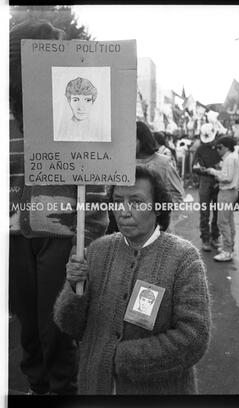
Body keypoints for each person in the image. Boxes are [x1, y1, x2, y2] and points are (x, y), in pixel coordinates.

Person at [9, 20, 109, 395]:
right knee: (30, 331)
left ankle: (61, 390)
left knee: (58, 330)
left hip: (64, 236)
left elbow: (96, 185)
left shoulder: (78, 116)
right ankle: (37, 387)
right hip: (14, 237)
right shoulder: (9, 122)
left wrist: (91, 238)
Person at [54, 165, 211, 395]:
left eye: (136, 202)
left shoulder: (184, 259)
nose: (124, 211)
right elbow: (69, 326)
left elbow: (193, 339)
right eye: (117, 201)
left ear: (158, 207)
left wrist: (119, 357)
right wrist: (75, 289)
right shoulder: (97, 251)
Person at [136, 121, 184, 234]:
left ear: (142, 140)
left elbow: (178, 195)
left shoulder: (164, 163)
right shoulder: (124, 164)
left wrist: (157, 210)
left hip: (159, 229)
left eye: (132, 139)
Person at [205, 136, 239, 262]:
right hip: (231, 192)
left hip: (226, 192)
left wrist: (213, 172)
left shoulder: (229, 159)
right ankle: (229, 247)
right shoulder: (232, 157)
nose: (218, 150)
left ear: (226, 147)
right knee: (229, 221)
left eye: (219, 147)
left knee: (223, 222)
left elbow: (227, 177)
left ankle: (227, 251)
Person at [192, 129, 221, 252]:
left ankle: (215, 236)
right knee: (204, 212)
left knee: (217, 211)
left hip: (218, 180)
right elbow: (194, 166)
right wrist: (201, 169)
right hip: (204, 181)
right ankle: (205, 238)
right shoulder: (200, 149)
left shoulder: (220, 148)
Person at [55, 77, 103, 142]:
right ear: (68, 101)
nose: (81, 107)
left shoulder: (99, 131)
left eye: (87, 100)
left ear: (93, 102)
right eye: (75, 100)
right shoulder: (60, 130)